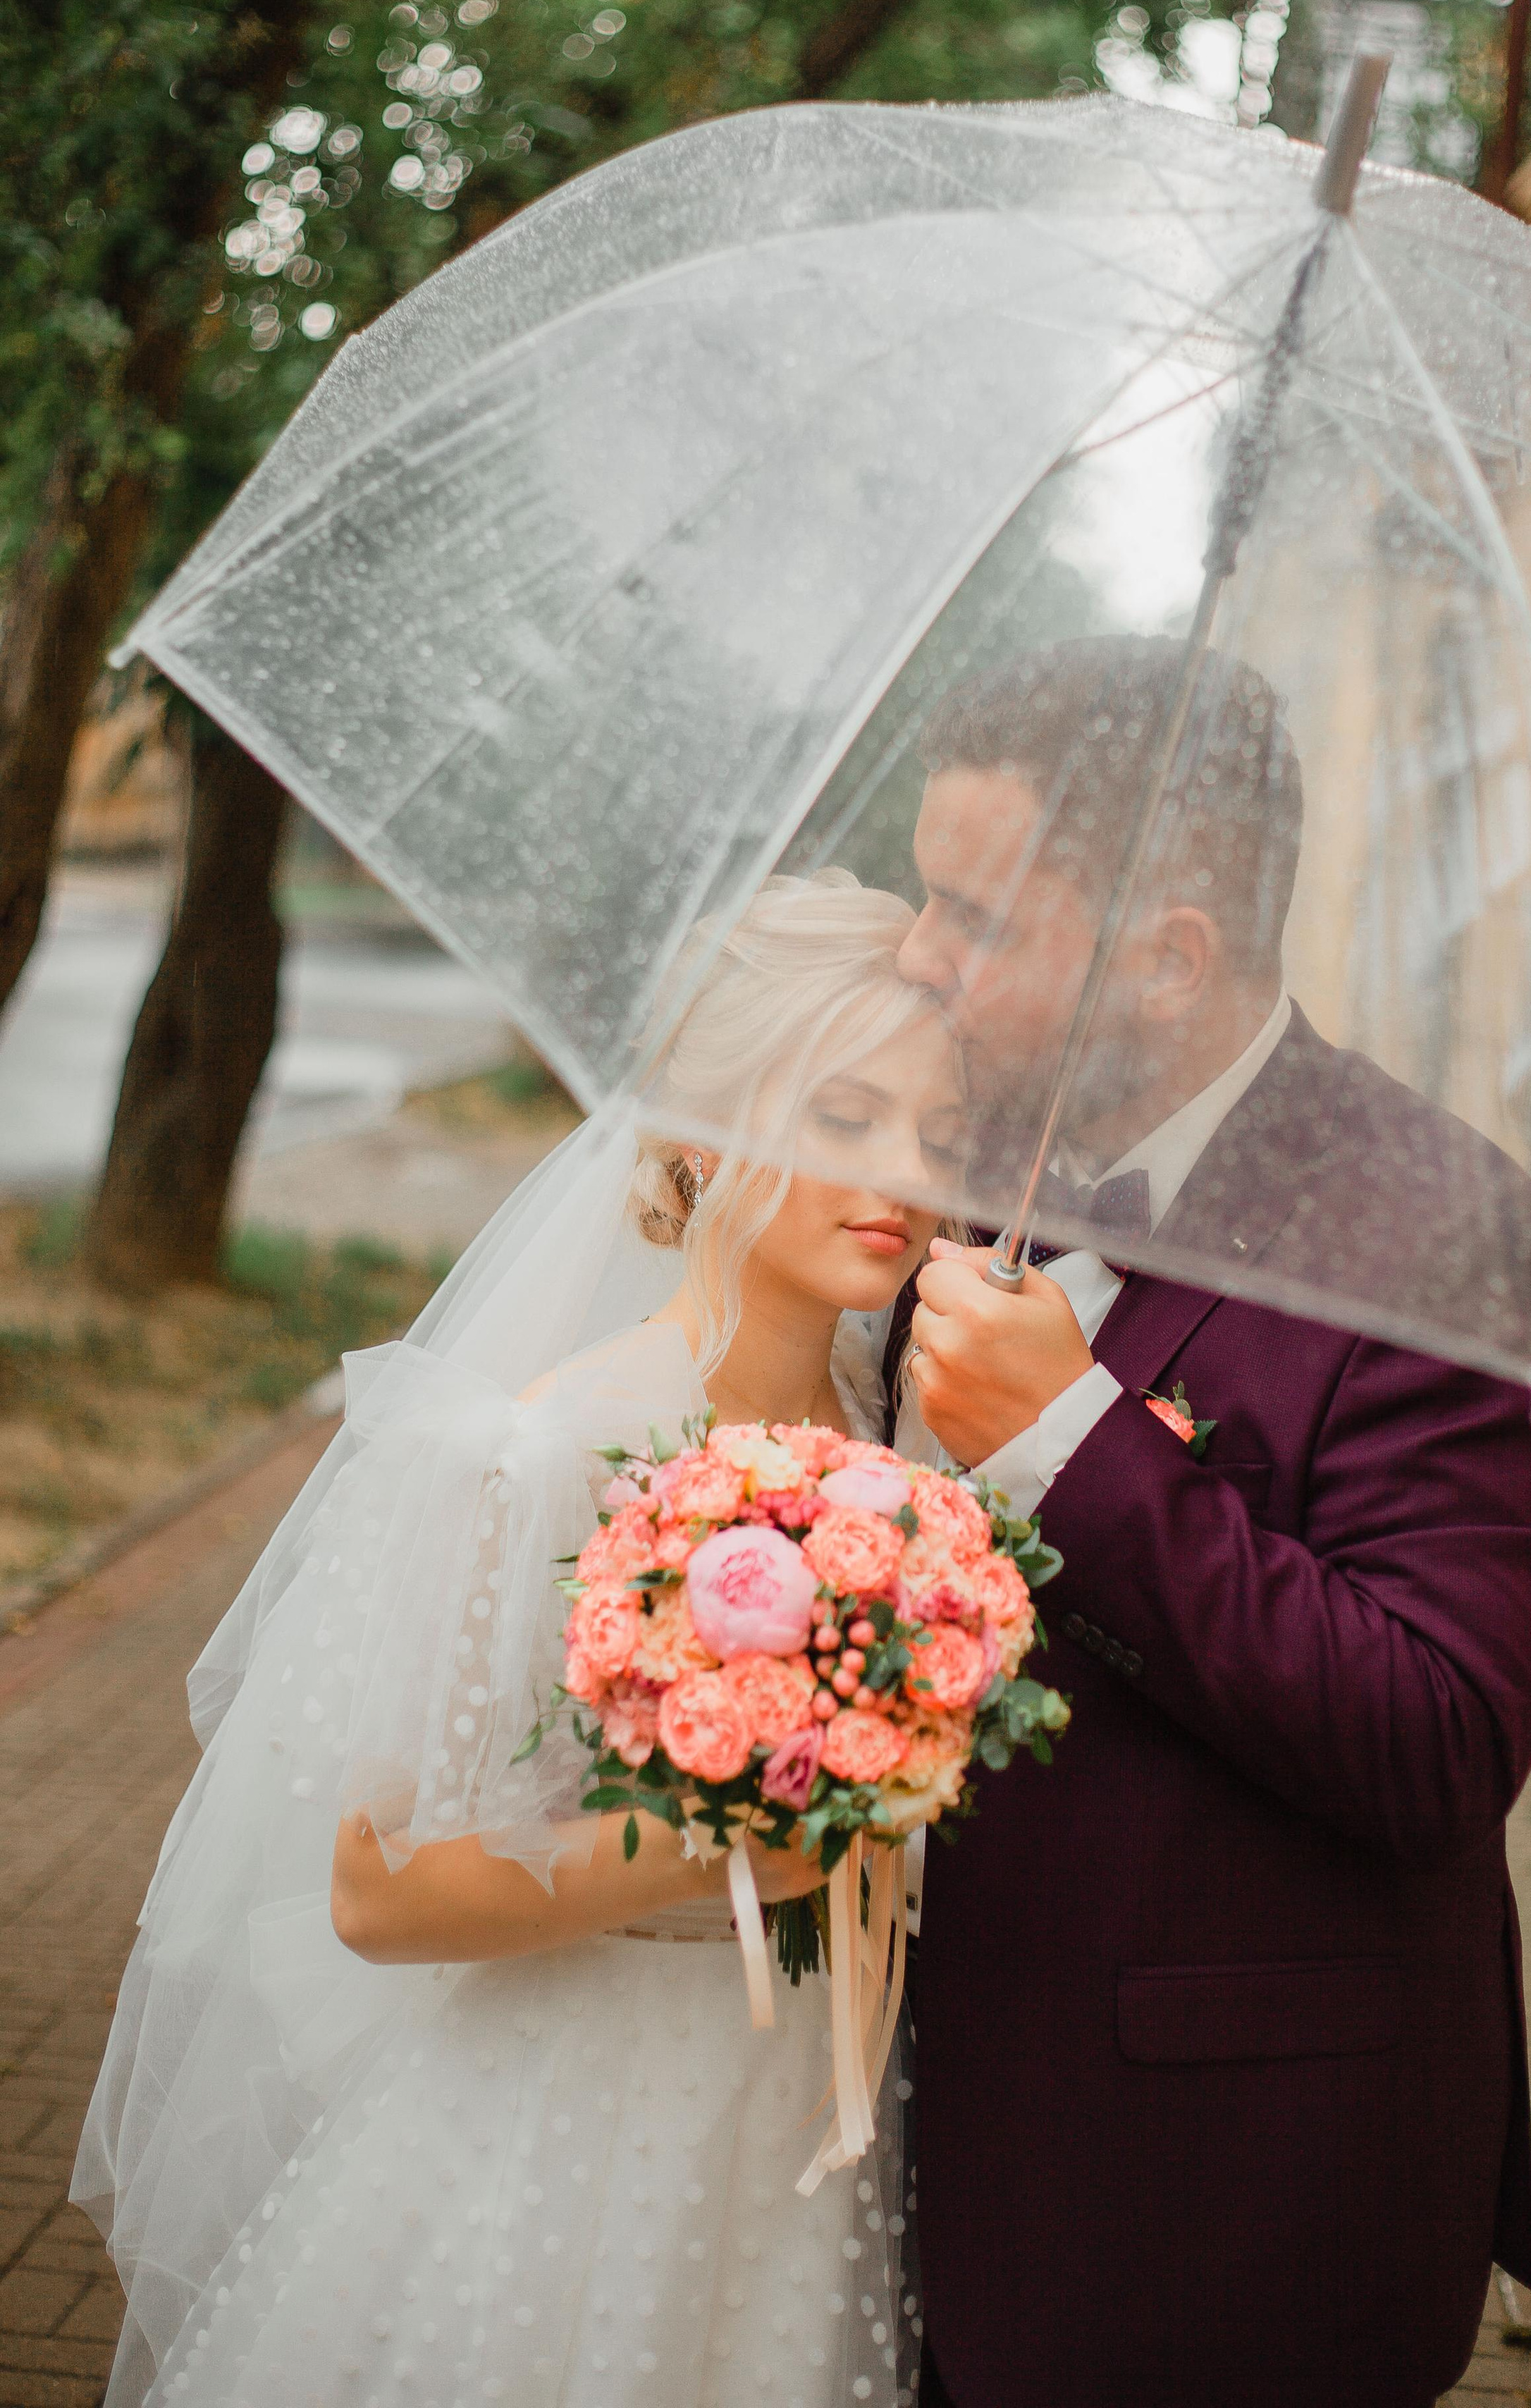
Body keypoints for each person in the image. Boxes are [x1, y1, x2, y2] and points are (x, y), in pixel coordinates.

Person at [75, 873, 960, 2408]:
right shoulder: (546, 1447)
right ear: (697, 1123)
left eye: (936, 1133)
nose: (901, 1176)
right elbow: (376, 1884)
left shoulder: (907, 1451)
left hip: (813, 2137)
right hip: (575, 2131)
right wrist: (746, 1837)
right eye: (842, 1113)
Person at [890, 635, 1531, 2408]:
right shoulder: (949, 1154)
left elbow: (1434, 1738)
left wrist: (1069, 1440)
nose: (917, 960)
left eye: (971, 918)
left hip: (1219, 2195)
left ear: (1166, 953)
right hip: (902, 2134)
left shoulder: (1458, 1247)